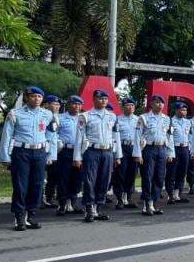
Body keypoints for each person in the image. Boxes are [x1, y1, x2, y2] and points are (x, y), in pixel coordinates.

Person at [0, 86, 58, 231]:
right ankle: (19, 217)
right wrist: (5, 156)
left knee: (37, 185)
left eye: (39, 97)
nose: (36, 99)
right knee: (20, 186)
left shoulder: (48, 115)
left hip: (40, 153)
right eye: (33, 96)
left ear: (42, 99)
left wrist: (51, 154)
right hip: (21, 152)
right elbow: (6, 136)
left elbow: (52, 135)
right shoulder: (15, 114)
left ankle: (31, 216)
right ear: (26, 97)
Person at [74, 89, 122, 222]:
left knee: (104, 180)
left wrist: (118, 155)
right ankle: (89, 208)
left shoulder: (112, 116)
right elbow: (79, 137)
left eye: (105, 99)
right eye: (101, 98)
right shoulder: (85, 116)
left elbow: (116, 136)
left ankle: (97, 208)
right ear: (94, 99)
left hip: (107, 152)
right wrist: (77, 157)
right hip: (91, 151)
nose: (103, 101)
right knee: (90, 180)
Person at [133, 95, 174, 215]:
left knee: (160, 177)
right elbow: (137, 137)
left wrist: (170, 152)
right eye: (157, 102)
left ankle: (154, 203)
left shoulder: (166, 119)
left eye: (162, 103)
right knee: (148, 176)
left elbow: (169, 136)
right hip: (148, 149)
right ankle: (147, 204)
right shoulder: (143, 118)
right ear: (151, 104)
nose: (160, 105)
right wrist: (138, 154)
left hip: (161, 148)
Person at [55, 95, 84, 216]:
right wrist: (58, 144)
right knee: (63, 178)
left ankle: (73, 202)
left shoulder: (83, 118)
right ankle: (62, 204)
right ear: (68, 105)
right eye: (74, 104)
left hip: (80, 152)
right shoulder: (60, 118)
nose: (76, 106)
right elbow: (53, 133)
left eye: (78, 104)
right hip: (65, 151)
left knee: (77, 178)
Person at [112, 97, 139, 210]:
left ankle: (128, 197)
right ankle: (119, 199)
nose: (130, 107)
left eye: (132, 105)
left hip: (134, 147)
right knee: (120, 173)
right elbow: (113, 136)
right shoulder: (117, 119)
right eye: (128, 105)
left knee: (132, 173)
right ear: (123, 107)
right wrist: (115, 154)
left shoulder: (138, 119)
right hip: (121, 147)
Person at [165, 101, 192, 205]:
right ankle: (170, 195)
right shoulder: (170, 121)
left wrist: (190, 149)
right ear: (176, 110)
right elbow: (168, 137)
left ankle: (177, 194)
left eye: (185, 110)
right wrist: (169, 152)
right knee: (172, 172)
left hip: (185, 148)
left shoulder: (187, 122)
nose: (184, 112)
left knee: (182, 172)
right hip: (174, 148)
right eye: (181, 109)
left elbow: (190, 135)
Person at [42, 94, 61, 209]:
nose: (57, 106)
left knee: (52, 177)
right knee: (41, 177)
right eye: (54, 104)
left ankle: (48, 198)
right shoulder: (44, 116)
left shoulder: (56, 117)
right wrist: (48, 154)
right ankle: (41, 198)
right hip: (44, 152)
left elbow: (54, 135)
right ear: (46, 105)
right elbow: (46, 136)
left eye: (58, 104)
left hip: (54, 152)